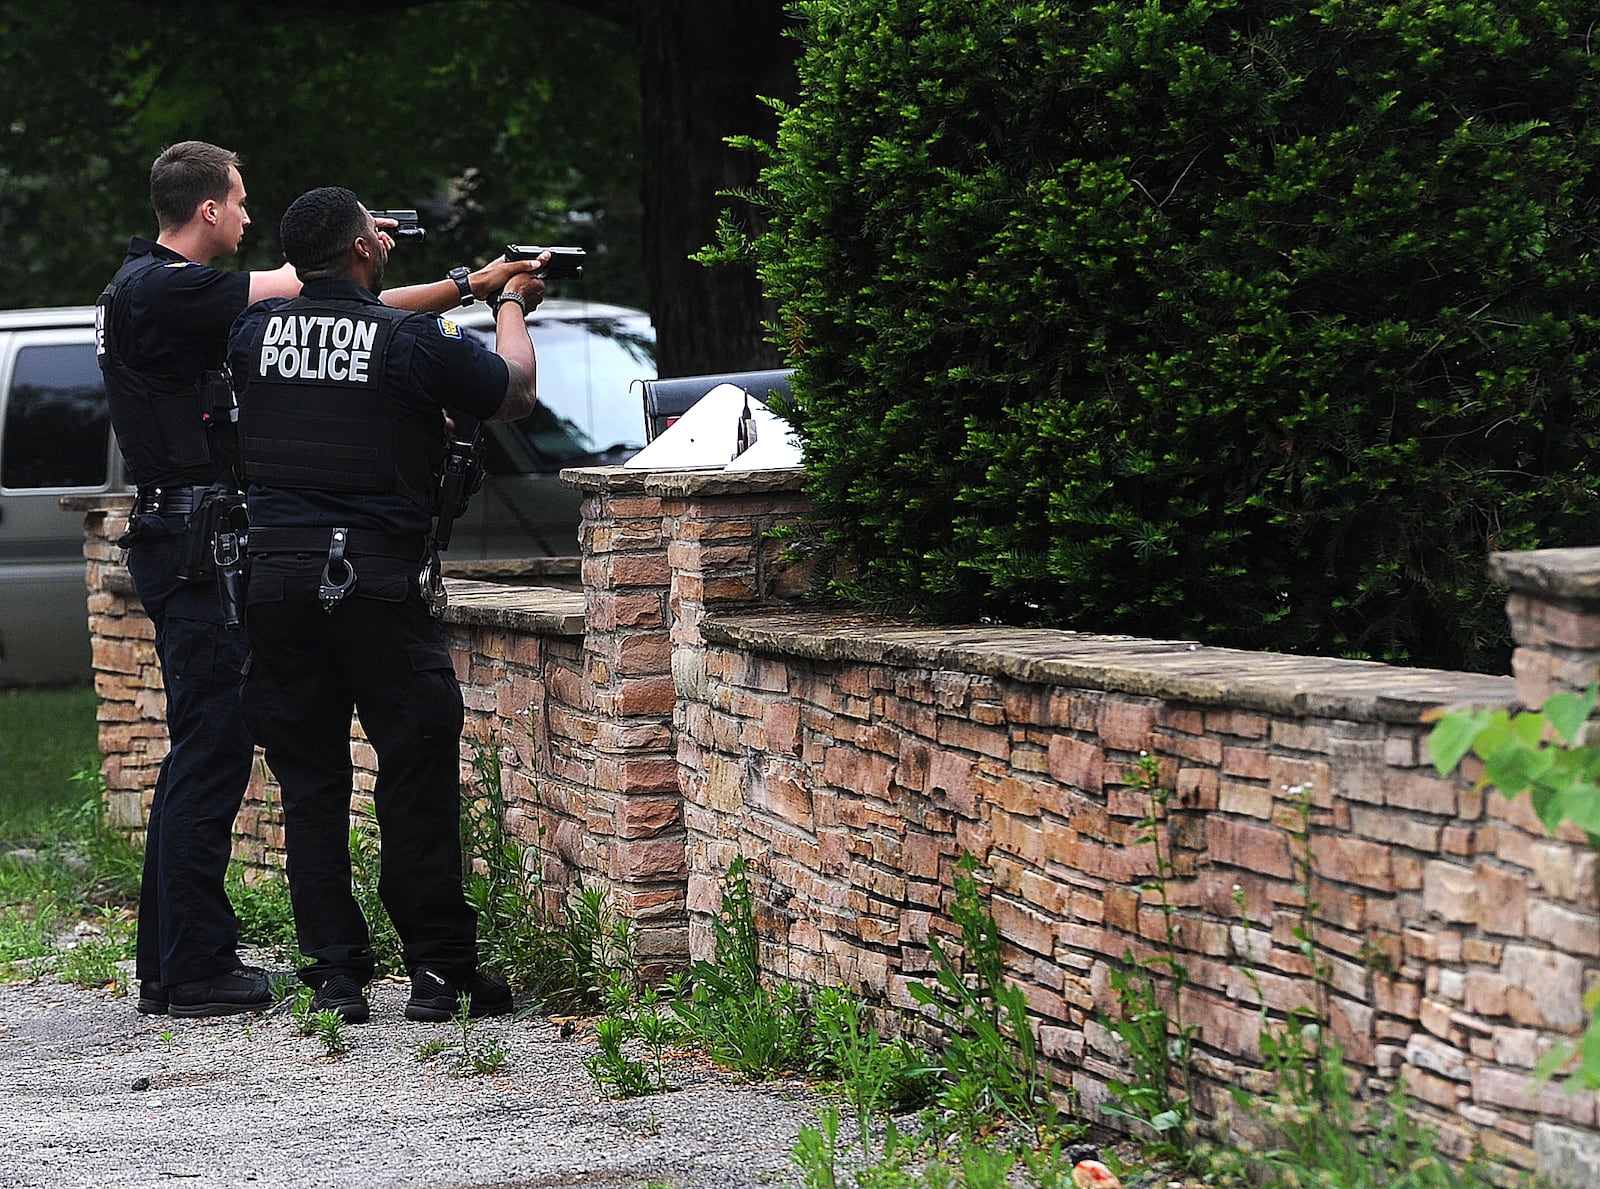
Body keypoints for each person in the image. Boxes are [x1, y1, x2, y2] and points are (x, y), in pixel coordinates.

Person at [97, 142, 535, 1018]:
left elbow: (334, 314)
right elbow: (326, 303)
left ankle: (314, 967)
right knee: (219, 749)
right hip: (205, 540)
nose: (249, 215)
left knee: (288, 767)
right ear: (210, 209)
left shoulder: (194, 306)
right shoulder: (165, 287)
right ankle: (191, 966)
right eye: (241, 199)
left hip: (252, 563)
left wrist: (457, 285)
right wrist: (493, 295)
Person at [226, 186, 547, 1024]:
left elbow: (337, 320)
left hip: (278, 583)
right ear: (364, 250)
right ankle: (438, 973)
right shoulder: (408, 340)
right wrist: (510, 300)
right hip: (374, 584)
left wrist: (464, 284)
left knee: (310, 780)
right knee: (414, 771)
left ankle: (334, 973)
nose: (383, 232)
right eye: (374, 225)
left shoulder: (254, 332)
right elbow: (511, 391)